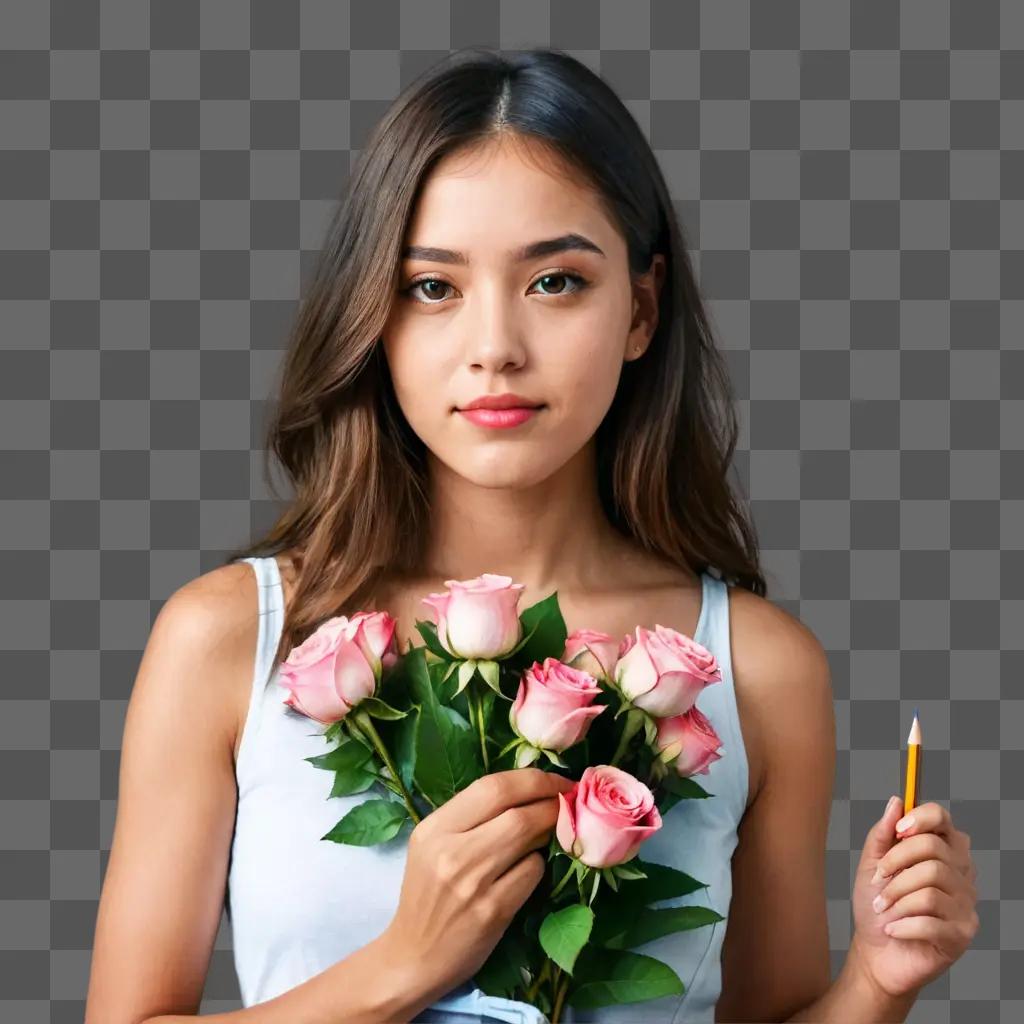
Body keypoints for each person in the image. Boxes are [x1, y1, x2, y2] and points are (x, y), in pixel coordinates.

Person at [85, 47, 978, 1024]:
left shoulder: (754, 669)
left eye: (555, 281)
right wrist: (402, 964)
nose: (495, 346)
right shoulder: (229, 638)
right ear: (372, 317)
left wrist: (877, 982)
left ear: (640, 307)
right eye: (433, 287)